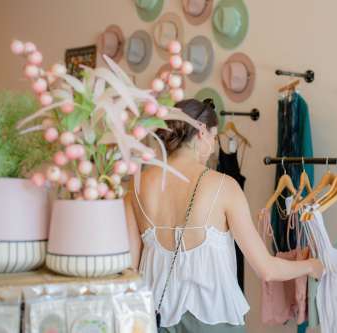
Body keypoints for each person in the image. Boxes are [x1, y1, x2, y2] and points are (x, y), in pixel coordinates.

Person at [124, 98, 324, 332]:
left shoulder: (137, 187)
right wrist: (311, 265)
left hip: (152, 318)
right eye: (213, 137)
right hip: (213, 320)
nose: (213, 145)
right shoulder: (223, 186)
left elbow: (130, 271)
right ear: (201, 131)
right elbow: (267, 269)